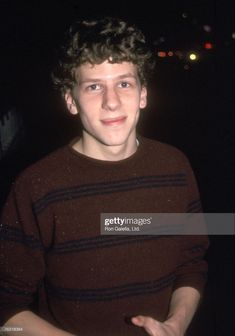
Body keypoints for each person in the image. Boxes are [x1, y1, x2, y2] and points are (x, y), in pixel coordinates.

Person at [0, 17, 208, 336]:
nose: (111, 102)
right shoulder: (36, 187)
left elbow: (191, 264)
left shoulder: (176, 167)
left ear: (143, 94)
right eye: (94, 86)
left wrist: (175, 325)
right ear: (71, 100)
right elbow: (6, 313)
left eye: (124, 83)